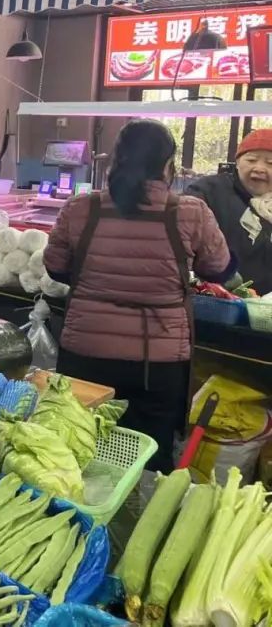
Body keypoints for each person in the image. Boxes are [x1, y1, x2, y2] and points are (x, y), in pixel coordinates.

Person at [43, 119, 238, 472]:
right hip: (157, 361)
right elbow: (219, 270)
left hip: (86, 351)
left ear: (116, 159)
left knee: (75, 450)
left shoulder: (81, 208)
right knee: (149, 455)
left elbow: (56, 268)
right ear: (167, 165)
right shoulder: (190, 212)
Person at [185, 128, 272, 294]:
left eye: (270, 163)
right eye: (251, 160)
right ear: (237, 163)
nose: (259, 168)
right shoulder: (208, 191)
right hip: (219, 299)